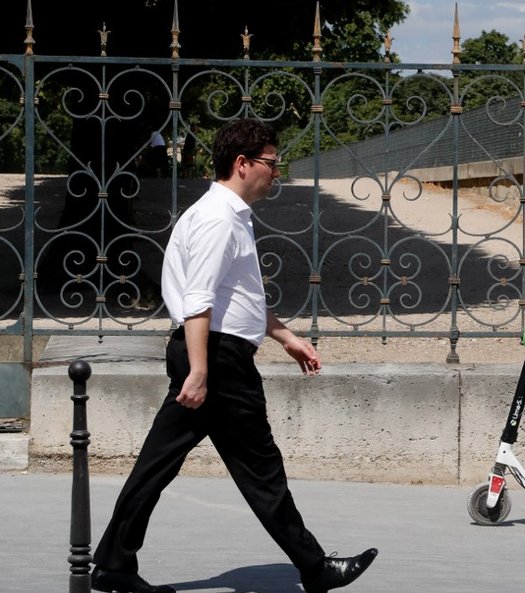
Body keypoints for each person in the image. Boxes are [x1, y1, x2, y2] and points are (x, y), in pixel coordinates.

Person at [91, 118, 377, 593]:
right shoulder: (218, 220)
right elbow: (199, 300)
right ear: (242, 164)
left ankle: (114, 564)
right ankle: (315, 567)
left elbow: (234, 297)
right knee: (260, 469)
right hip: (217, 361)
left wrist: (284, 336)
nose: (275, 173)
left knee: (158, 463)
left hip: (213, 354)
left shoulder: (225, 216)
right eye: (270, 164)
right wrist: (202, 370)